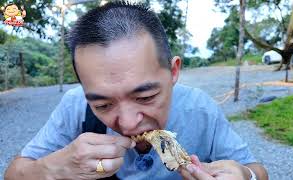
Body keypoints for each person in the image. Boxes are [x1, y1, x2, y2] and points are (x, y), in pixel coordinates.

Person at [4, 1, 268, 180]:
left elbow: (257, 170)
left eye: (145, 97)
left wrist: (245, 175)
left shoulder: (200, 108)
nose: (129, 124)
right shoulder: (75, 106)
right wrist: (52, 169)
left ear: (173, 71)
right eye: (103, 105)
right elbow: (13, 173)